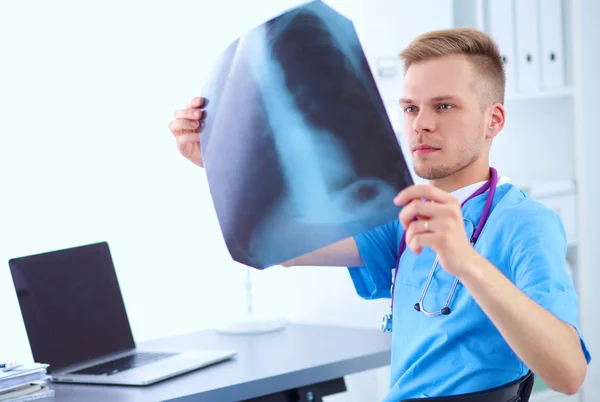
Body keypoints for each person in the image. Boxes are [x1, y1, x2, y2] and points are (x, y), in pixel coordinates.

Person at [168, 28, 591, 400]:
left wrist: (466, 263)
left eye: (444, 106)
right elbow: (282, 245)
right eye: (410, 108)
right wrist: (218, 162)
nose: (421, 124)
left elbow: (568, 373)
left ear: (493, 120)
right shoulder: (405, 216)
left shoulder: (525, 223)